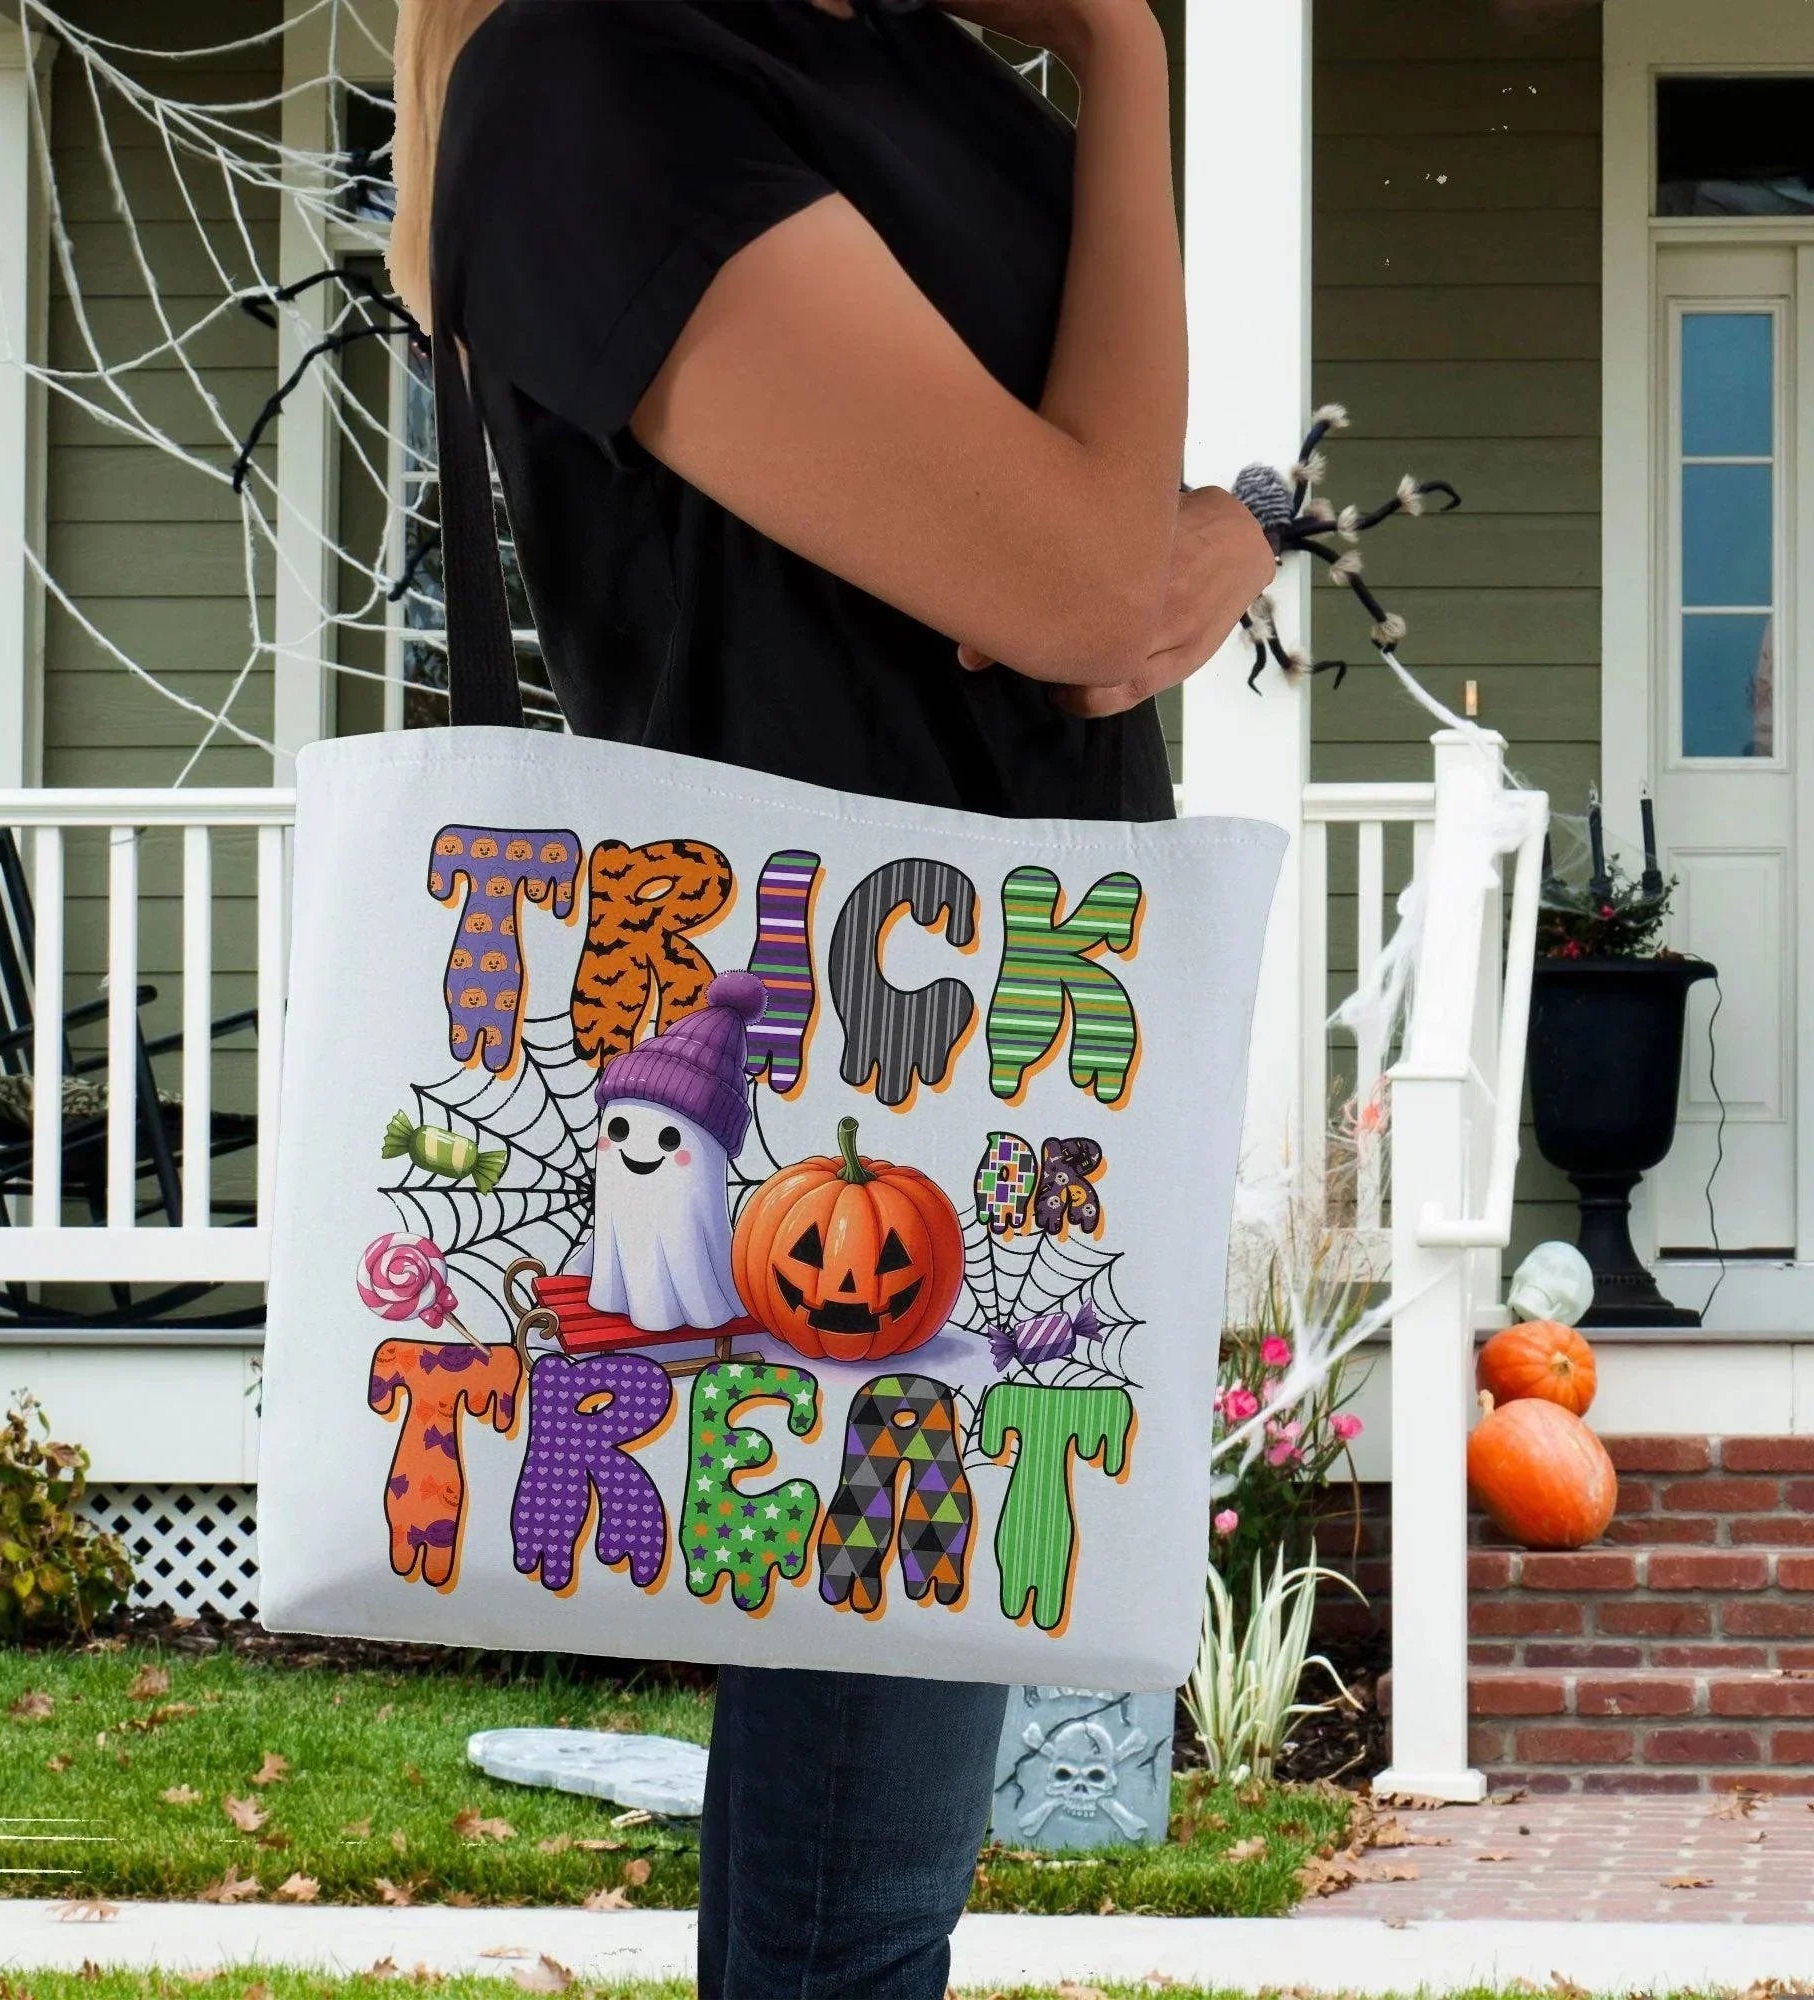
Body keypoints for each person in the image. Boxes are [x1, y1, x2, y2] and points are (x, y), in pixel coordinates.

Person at [389, 2, 1272, 1992]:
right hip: (828, 1078)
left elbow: (1114, 549)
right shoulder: (599, 78)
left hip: (1018, 1035)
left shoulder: (911, 65)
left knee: (890, 1872)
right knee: (849, 1907)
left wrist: (1210, 541)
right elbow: (1069, 583)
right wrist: (1126, 52)